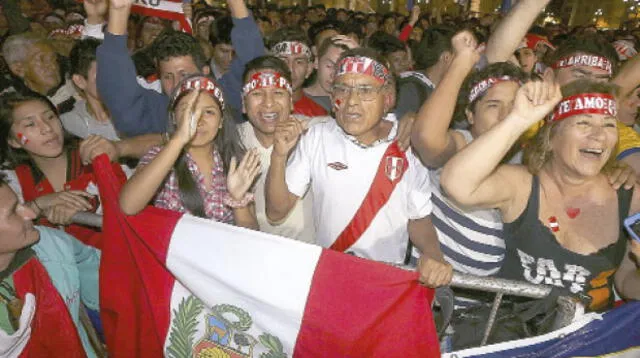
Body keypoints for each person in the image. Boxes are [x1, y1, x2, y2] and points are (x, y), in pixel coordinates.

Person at [441, 79, 640, 311]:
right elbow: (456, 184)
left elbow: (626, 283)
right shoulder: (523, 184)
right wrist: (519, 119)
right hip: (514, 337)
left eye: (609, 125)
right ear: (551, 137)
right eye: (584, 123)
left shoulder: (630, 196)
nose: (599, 136)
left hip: (589, 342)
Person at [265, 48, 452, 287]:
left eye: (365, 91)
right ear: (333, 99)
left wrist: (434, 256)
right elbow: (276, 212)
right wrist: (279, 157)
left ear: (387, 99)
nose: (352, 102)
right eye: (342, 89)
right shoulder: (316, 137)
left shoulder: (406, 141)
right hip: (330, 279)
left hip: (384, 285)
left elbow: (418, 217)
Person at [97, 0, 264, 137]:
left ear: (205, 73)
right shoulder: (158, 112)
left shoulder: (225, 100)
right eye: (168, 77)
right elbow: (118, 92)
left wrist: (236, 3)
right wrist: (118, 13)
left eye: (184, 74)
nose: (176, 83)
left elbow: (252, 61)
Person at [119, 75, 260, 230]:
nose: (198, 120)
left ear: (221, 121)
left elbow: (251, 234)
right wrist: (178, 139)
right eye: (188, 111)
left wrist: (238, 199)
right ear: (174, 117)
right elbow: (128, 205)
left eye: (209, 112)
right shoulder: (160, 157)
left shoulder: (234, 161)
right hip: (173, 252)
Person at [0, 92, 128, 247]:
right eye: (30, 124)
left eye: (50, 117)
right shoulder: (12, 181)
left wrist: (83, 213)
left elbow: (130, 211)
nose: (47, 128)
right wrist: (39, 205)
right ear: (13, 141)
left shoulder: (96, 154)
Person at [0, 173, 101, 357]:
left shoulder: (50, 244)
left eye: (20, 204)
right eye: (14, 211)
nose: (31, 213)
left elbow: (101, 277)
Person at [238, 56, 317, 242]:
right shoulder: (229, 141)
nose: (268, 103)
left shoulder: (315, 134)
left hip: (307, 258)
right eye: (257, 93)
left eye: (278, 93)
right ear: (243, 103)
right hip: (250, 255)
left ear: (291, 101)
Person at [1, 32, 78, 113]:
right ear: (18, 69)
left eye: (53, 59)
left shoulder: (77, 89)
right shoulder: (10, 107)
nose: (53, 66)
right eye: (42, 60)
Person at [268, 27, 328, 117]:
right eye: (283, 61)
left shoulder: (320, 116)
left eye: (298, 62)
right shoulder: (256, 109)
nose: (290, 69)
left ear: (309, 69)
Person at [304, 35, 357, 112]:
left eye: (341, 69)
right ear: (316, 62)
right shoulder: (294, 99)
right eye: (329, 66)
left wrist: (362, 59)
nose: (333, 75)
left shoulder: (353, 103)